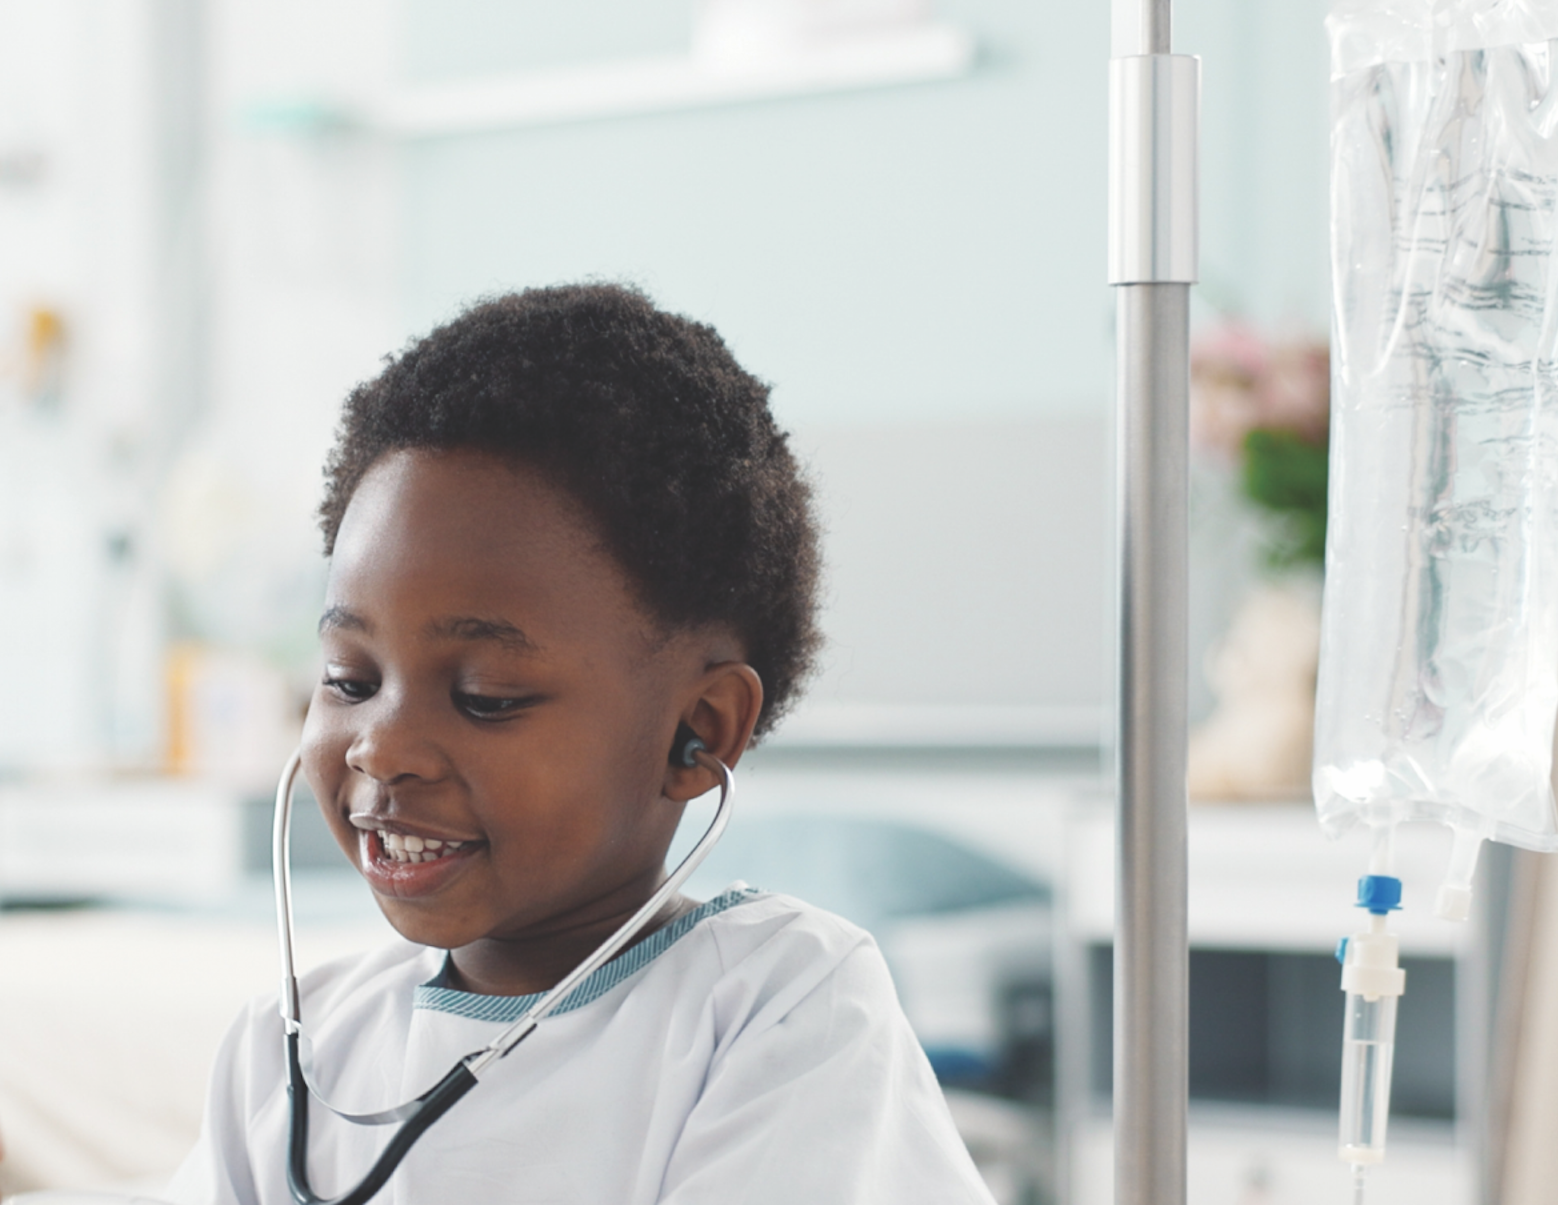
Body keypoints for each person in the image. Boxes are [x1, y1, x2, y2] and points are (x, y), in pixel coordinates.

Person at [166, 284, 992, 1203]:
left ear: (698, 730)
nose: (383, 746)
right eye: (350, 680)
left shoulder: (780, 1006)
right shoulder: (293, 1049)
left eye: (487, 696)